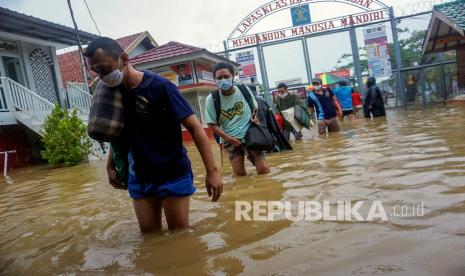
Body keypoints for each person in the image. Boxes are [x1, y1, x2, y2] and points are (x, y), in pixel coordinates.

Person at [84, 37, 222, 233]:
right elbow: (117, 132)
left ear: (124, 58)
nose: (101, 76)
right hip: (140, 176)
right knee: (149, 239)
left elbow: (195, 128)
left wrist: (212, 172)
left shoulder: (160, 86)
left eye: (104, 69)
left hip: (172, 173)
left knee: (180, 235)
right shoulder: (113, 93)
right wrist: (110, 165)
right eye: (95, 71)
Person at [205, 62, 270, 176]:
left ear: (233, 76)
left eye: (226, 76)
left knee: (264, 170)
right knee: (239, 174)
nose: (223, 80)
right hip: (229, 139)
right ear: (214, 79)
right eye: (219, 78)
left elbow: (254, 107)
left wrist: (255, 118)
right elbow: (211, 124)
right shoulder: (212, 99)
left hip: (251, 135)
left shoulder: (243, 90)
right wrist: (229, 139)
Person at [248, 85, 292, 152]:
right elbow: (271, 119)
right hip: (265, 130)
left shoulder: (245, 100)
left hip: (252, 134)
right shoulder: (261, 100)